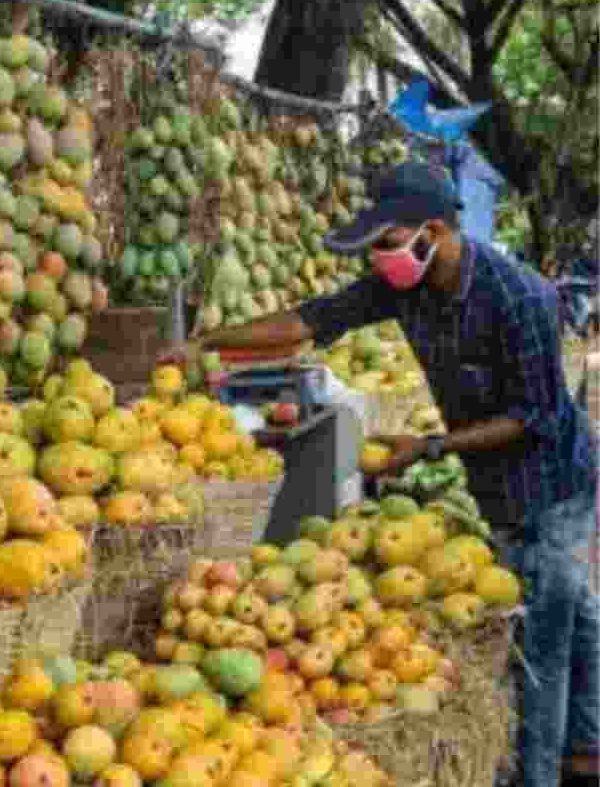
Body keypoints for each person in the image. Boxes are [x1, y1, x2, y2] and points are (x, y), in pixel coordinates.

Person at [163, 161, 599, 787]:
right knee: (576, 610)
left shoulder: (520, 294)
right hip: (495, 484)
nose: (378, 259)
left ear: (436, 231)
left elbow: (535, 416)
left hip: (555, 484)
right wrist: (207, 344)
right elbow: (308, 322)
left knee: (545, 642)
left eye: (387, 243)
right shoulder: (404, 287)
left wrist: (427, 447)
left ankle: (539, 775)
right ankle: (587, 745)